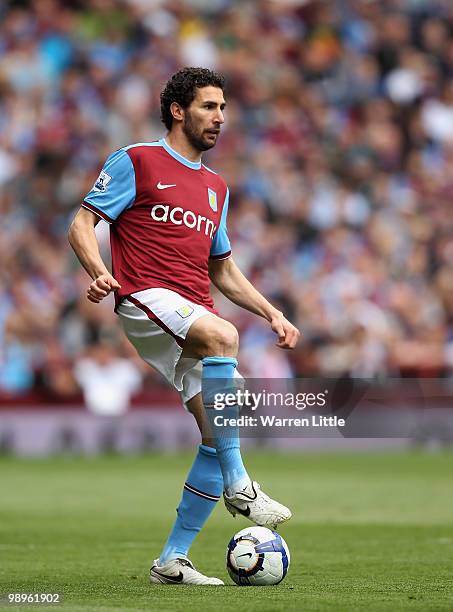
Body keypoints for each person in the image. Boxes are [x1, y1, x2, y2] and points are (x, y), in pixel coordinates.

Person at [68, 67, 300, 585]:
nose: (220, 118)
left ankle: (172, 561)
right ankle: (242, 485)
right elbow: (82, 223)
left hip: (192, 307)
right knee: (224, 336)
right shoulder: (137, 160)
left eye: (223, 108)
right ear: (178, 110)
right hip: (145, 296)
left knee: (220, 426)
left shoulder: (216, 186)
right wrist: (100, 271)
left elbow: (222, 269)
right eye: (209, 107)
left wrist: (273, 311)